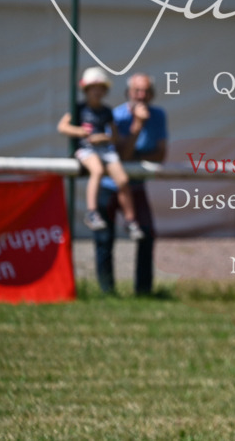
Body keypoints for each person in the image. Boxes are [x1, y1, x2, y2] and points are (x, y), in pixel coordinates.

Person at [96, 72, 168, 296]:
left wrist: (132, 156)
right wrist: (137, 126)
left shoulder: (158, 115)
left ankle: (144, 291)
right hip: (110, 186)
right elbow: (121, 157)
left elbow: (160, 155)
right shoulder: (116, 117)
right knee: (105, 238)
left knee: (146, 234)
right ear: (128, 93)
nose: (141, 96)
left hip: (136, 186)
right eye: (137, 91)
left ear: (152, 94)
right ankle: (106, 292)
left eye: (146, 91)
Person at [57, 67, 143, 241]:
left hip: (105, 150)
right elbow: (62, 127)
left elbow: (114, 137)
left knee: (123, 180)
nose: (97, 92)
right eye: (93, 88)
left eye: (100, 88)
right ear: (86, 90)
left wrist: (102, 137)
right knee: (96, 171)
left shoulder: (106, 111)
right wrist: (80, 132)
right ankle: (91, 212)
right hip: (86, 149)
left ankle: (130, 220)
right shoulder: (78, 109)